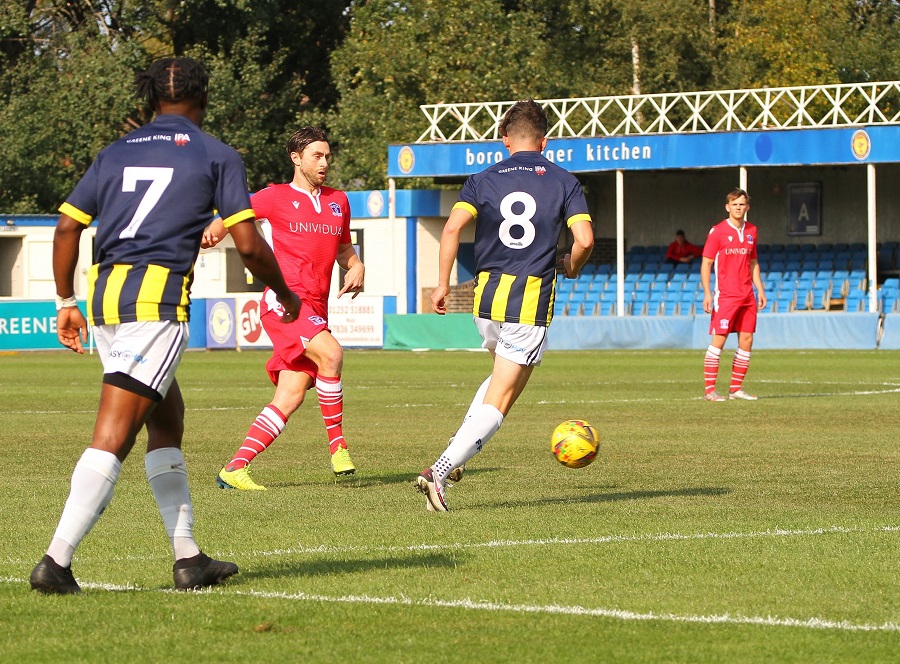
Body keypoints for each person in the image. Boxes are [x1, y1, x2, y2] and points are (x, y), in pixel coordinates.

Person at [30, 57, 300, 595]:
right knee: (114, 434)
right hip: (154, 305)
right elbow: (247, 244)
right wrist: (285, 291)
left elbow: (65, 227)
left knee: (167, 417)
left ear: (150, 97)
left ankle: (189, 557)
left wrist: (65, 300)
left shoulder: (113, 152)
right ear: (204, 97)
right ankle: (55, 562)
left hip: (105, 297)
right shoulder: (216, 153)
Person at [415, 99, 594, 512]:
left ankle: (457, 456)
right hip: (528, 302)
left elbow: (453, 229)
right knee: (504, 396)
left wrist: (441, 284)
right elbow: (584, 239)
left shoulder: (482, 179)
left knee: (501, 379)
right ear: (545, 142)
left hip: (486, 299)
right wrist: (572, 265)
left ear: (504, 140)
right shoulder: (564, 181)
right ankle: (439, 471)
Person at [203, 126, 364, 491]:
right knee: (332, 354)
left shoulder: (339, 200)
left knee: (289, 396)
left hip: (318, 308)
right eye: (316, 156)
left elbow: (343, 250)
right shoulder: (274, 197)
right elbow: (234, 211)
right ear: (296, 158)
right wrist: (215, 228)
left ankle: (234, 469)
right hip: (285, 304)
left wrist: (357, 265)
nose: (324, 162)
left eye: (327, 155)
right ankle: (338, 447)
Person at [700, 188, 767, 402]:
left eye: (742, 204)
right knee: (719, 341)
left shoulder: (752, 231)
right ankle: (710, 390)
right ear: (727, 207)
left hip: (747, 295)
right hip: (726, 296)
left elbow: (753, 262)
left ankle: (736, 388)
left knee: (746, 340)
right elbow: (706, 263)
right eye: (734, 204)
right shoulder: (717, 231)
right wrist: (708, 293)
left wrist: (760, 289)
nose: (738, 208)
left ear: (747, 207)